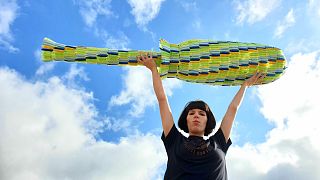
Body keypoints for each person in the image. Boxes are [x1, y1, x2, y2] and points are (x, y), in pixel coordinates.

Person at [137, 52, 266, 180]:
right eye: (191, 113)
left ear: (207, 120)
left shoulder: (219, 141)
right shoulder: (174, 139)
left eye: (202, 113)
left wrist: (245, 85)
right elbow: (162, 100)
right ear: (186, 120)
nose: (196, 116)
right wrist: (153, 69)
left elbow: (233, 109)